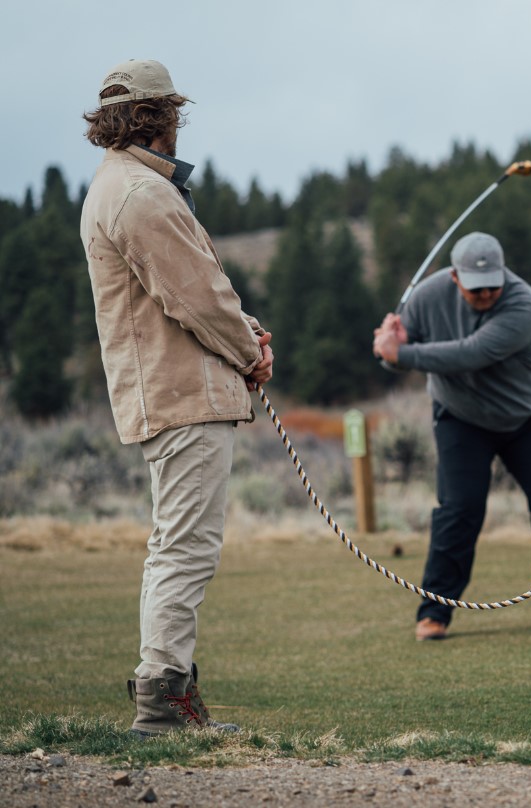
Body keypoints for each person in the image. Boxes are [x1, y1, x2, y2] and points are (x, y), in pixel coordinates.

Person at [80, 60, 275, 735]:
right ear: (159, 117)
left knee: (176, 545)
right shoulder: (141, 194)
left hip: (170, 389)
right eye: (171, 113)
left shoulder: (119, 188)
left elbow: (186, 294)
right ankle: (163, 702)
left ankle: (169, 694)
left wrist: (242, 333)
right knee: (185, 549)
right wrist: (250, 352)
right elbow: (193, 296)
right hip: (183, 393)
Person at [372, 232, 531, 640]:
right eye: (477, 288)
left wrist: (400, 353)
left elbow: (472, 353)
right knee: (460, 510)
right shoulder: (426, 297)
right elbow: (397, 359)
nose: (487, 293)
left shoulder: (525, 304)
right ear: (455, 278)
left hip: (526, 418)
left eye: (494, 284)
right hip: (459, 418)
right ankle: (433, 613)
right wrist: (391, 349)